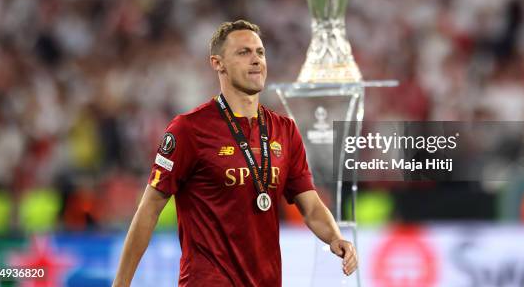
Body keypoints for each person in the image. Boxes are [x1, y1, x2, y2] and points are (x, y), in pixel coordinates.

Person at [113, 20, 357, 286]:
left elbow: (310, 205)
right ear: (218, 63)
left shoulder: (284, 130)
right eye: (244, 52)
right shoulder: (189, 129)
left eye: (260, 52)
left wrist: (335, 237)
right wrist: (121, 284)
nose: (256, 60)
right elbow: (149, 208)